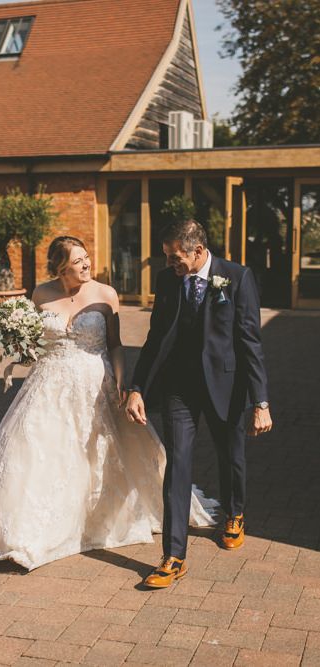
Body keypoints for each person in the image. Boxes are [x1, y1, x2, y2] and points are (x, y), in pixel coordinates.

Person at [0, 236, 217, 571]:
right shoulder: (41, 293)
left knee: (94, 455)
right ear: (61, 268)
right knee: (37, 452)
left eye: (87, 257)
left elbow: (115, 345)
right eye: (78, 261)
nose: (86, 264)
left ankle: (92, 519)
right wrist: (22, 349)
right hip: (47, 385)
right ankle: (21, 532)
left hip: (93, 383)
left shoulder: (105, 294)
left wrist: (119, 383)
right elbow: (36, 342)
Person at [126, 220, 271, 589]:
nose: (171, 264)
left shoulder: (236, 277)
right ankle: (174, 556)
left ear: (198, 251)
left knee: (231, 455)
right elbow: (156, 336)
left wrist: (261, 401)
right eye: (168, 258)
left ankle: (234, 514)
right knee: (178, 463)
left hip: (226, 384)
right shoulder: (167, 280)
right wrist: (138, 386)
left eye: (176, 258)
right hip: (179, 388)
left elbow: (250, 341)